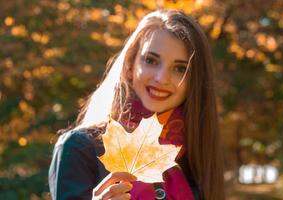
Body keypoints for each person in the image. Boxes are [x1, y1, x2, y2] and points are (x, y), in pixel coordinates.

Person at [49, 9, 225, 200]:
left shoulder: (197, 153)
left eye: (180, 69)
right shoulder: (79, 147)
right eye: (151, 60)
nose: (161, 78)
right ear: (130, 65)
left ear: (195, 81)